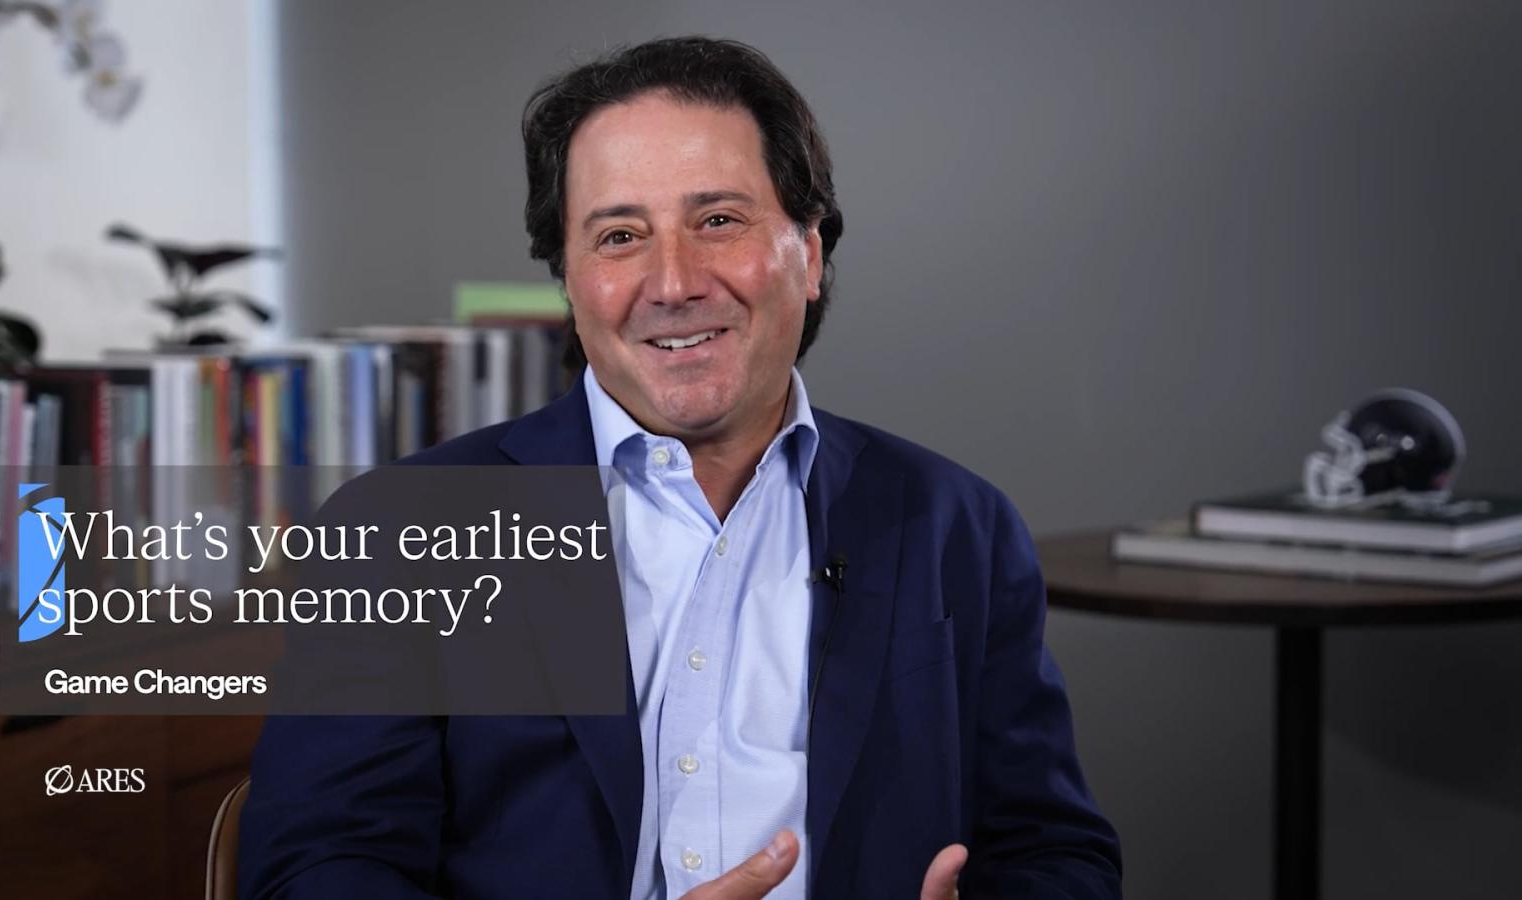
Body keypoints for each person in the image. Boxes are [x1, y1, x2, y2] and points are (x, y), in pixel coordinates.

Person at [239, 36, 1122, 900]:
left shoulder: (957, 525)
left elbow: (1053, 851)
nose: (673, 282)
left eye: (718, 221)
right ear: (570, 282)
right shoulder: (401, 533)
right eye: (620, 235)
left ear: (810, 253)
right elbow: (316, 870)